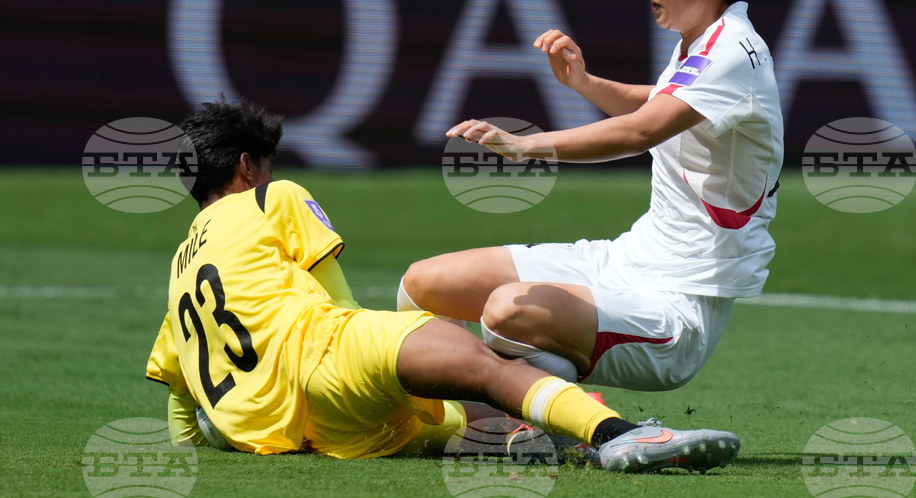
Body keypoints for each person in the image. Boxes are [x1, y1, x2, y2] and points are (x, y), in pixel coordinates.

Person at [145, 99, 741, 474]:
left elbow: (179, 395)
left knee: (457, 420)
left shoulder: (178, 266)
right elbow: (339, 309)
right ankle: (616, 434)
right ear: (248, 166)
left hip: (280, 432)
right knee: (485, 368)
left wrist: (206, 443)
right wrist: (404, 360)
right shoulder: (271, 197)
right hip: (327, 369)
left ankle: (526, 434)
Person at [399, 0, 782, 396]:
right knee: (424, 284)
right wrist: (583, 81)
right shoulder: (702, 41)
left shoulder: (733, 51)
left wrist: (526, 146)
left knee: (508, 312)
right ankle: (468, 424)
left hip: (672, 310)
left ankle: (569, 419)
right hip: (623, 259)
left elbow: (638, 132)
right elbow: (655, 104)